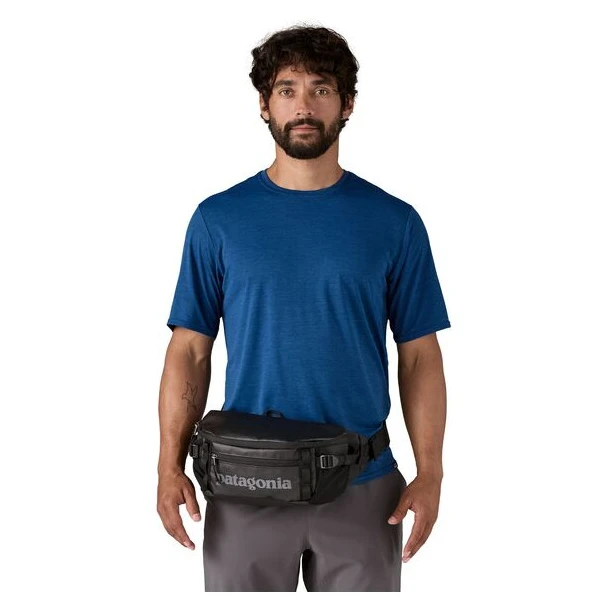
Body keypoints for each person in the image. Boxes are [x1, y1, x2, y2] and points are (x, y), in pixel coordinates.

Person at [156, 24, 451, 592]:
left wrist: (431, 472)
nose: (304, 106)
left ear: (347, 104)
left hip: (364, 487)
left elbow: (420, 356)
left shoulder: (395, 222)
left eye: (321, 89)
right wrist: (168, 465)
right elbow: (188, 350)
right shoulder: (218, 220)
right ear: (264, 105)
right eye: (287, 89)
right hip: (246, 487)